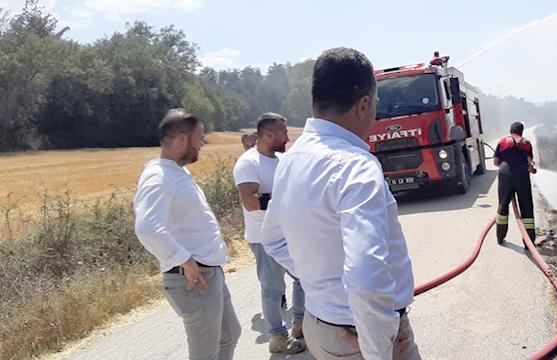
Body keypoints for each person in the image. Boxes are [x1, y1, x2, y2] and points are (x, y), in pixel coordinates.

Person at [260, 47, 421, 360]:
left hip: (320, 327)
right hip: (361, 337)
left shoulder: (291, 161)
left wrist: (321, 282)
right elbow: (366, 276)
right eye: (375, 104)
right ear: (363, 104)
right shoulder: (356, 166)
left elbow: (272, 238)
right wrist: (377, 351)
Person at [133, 108, 241, 360]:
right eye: (199, 138)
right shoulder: (158, 177)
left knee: (229, 335)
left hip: (207, 274)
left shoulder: (175, 172)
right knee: (205, 353)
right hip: (194, 279)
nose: (202, 144)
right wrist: (185, 260)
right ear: (182, 139)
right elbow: (147, 227)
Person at [232, 112, 306, 354]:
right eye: (283, 132)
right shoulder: (249, 162)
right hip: (263, 237)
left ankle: (300, 324)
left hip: (289, 233)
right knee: (273, 288)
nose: (287, 137)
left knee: (304, 277)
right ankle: (277, 337)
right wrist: (285, 199)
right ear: (268, 134)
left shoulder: (280, 160)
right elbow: (250, 201)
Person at [493, 121, 537, 248]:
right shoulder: (527, 143)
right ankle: (529, 242)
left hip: (505, 174)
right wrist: (531, 169)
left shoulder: (502, 142)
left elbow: (496, 162)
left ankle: (500, 237)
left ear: (510, 131)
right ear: (521, 131)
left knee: (502, 206)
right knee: (526, 206)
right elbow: (530, 163)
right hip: (522, 175)